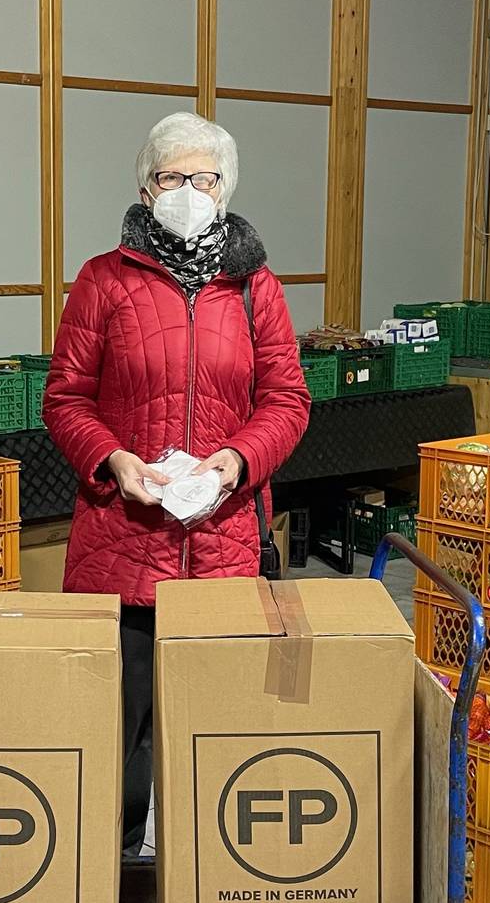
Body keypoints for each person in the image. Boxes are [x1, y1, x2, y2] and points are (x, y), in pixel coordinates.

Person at [44, 112, 311, 855]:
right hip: (123, 544)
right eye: (171, 177)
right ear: (144, 185)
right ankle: (116, 873)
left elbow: (287, 400)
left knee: (213, 732)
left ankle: (209, 882)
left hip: (223, 545)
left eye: (204, 178)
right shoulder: (104, 279)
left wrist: (235, 461)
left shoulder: (256, 287)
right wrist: (113, 460)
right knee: (117, 729)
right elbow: (65, 398)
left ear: (225, 189)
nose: (188, 191)